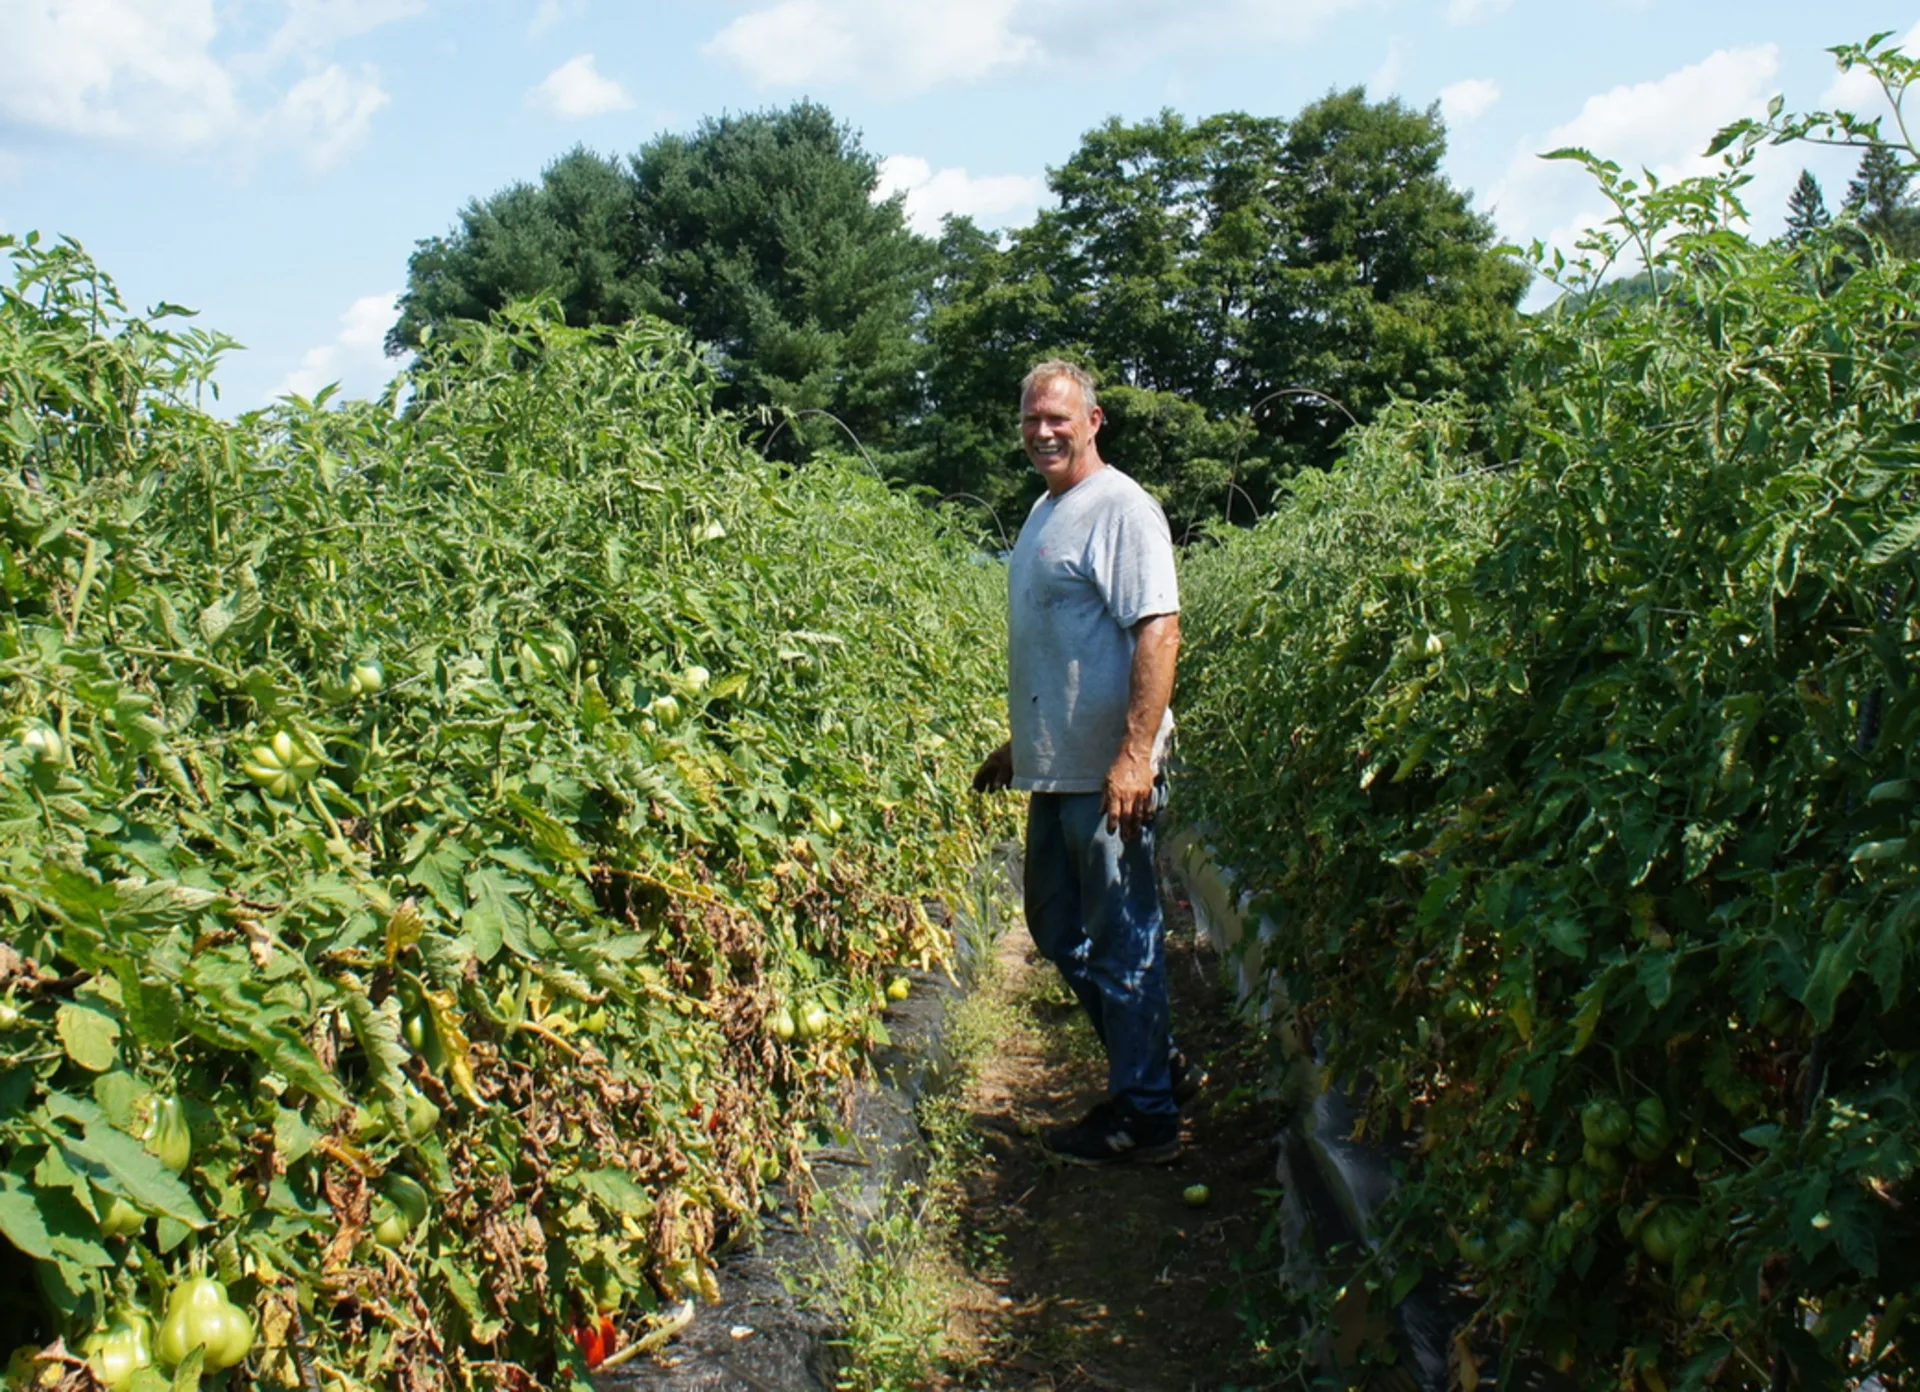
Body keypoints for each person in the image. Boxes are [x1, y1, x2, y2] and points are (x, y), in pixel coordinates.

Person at [972, 359, 1195, 1165]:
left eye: (1058, 419)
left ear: (1094, 420)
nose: (1042, 432)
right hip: (1055, 768)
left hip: (1108, 778)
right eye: (1031, 419)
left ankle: (1147, 1116)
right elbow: (1060, 648)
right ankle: (1155, 1067)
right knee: (1055, 925)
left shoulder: (1120, 507)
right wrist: (1020, 744)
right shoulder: (1045, 511)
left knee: (1120, 934)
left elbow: (1158, 631)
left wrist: (1135, 755)